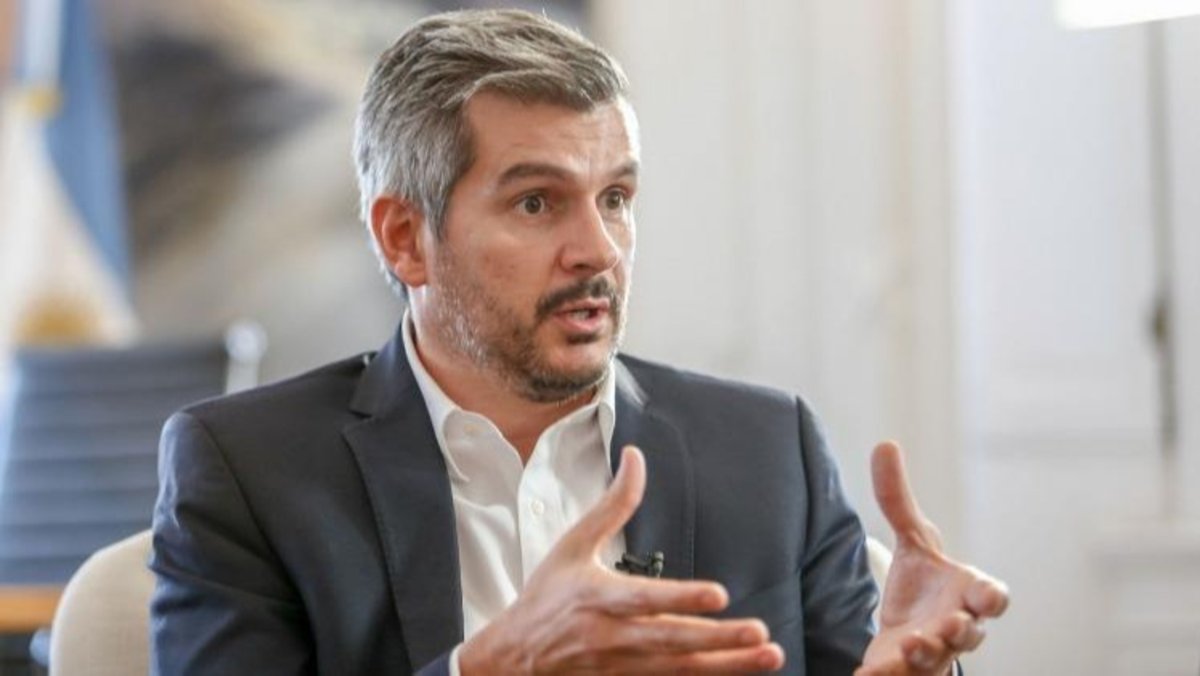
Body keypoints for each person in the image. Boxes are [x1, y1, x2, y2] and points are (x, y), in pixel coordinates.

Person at [149, 9, 1008, 675]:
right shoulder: (249, 474)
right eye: (537, 202)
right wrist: (495, 666)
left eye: (616, 199)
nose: (598, 250)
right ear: (405, 238)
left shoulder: (767, 451)